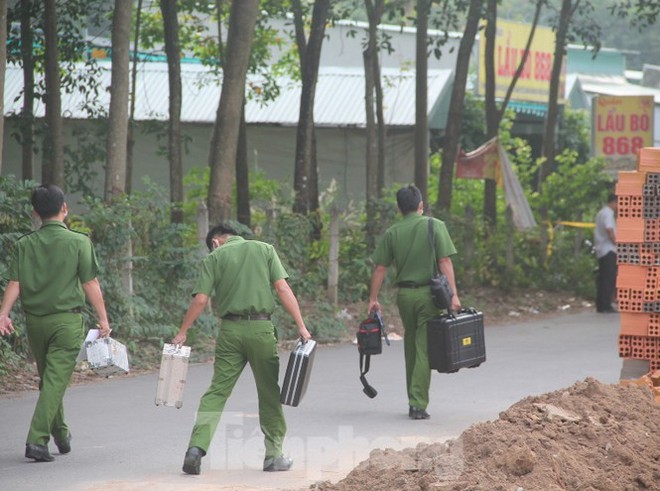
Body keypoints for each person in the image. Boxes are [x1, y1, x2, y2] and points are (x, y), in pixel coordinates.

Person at [172, 222, 312, 475]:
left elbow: (201, 299)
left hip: (230, 332)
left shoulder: (215, 258)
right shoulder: (265, 249)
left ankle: (195, 449)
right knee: (269, 392)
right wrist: (301, 326)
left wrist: (182, 331)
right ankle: (273, 456)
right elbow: (282, 288)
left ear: (215, 242)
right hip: (261, 330)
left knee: (217, 391)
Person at [0, 184, 112, 462]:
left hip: (35, 323)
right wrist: (103, 318)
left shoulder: (24, 244)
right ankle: (37, 440)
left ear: (35, 212)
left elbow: (15, 282)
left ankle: (61, 434)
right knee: (54, 380)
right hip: (66, 322)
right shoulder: (79, 242)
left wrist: (3, 313)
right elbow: (90, 282)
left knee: (50, 380)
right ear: (65, 208)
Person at [368, 185, 460, 420]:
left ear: (399, 208)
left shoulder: (392, 232)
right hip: (430, 295)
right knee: (423, 347)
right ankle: (417, 403)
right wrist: (454, 295)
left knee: (411, 344)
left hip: (405, 297)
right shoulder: (434, 225)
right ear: (421, 205)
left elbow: (380, 268)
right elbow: (444, 262)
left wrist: (373, 299)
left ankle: (413, 396)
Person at [594, 193, 618, 313]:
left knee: (603, 277)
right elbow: (609, 228)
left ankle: (601, 304)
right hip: (608, 249)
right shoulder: (608, 213)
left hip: (602, 249)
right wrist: (616, 242)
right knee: (608, 278)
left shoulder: (601, 212)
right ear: (614, 202)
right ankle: (605, 305)